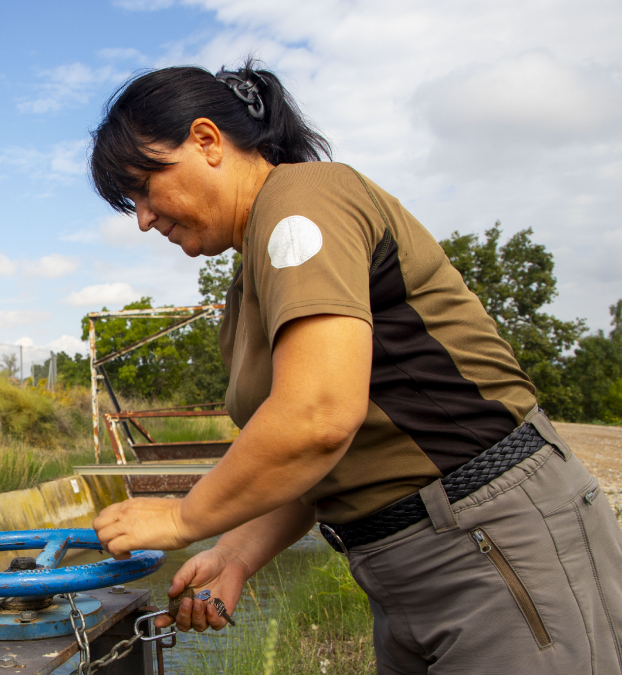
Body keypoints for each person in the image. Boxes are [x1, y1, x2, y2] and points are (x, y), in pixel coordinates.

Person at [88, 61, 622, 673]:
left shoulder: (302, 199)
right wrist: (234, 553)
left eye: (144, 186)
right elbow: (319, 463)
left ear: (206, 141)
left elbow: (317, 419)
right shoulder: (247, 290)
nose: (144, 219)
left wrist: (183, 516)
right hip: (404, 564)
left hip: (493, 540)